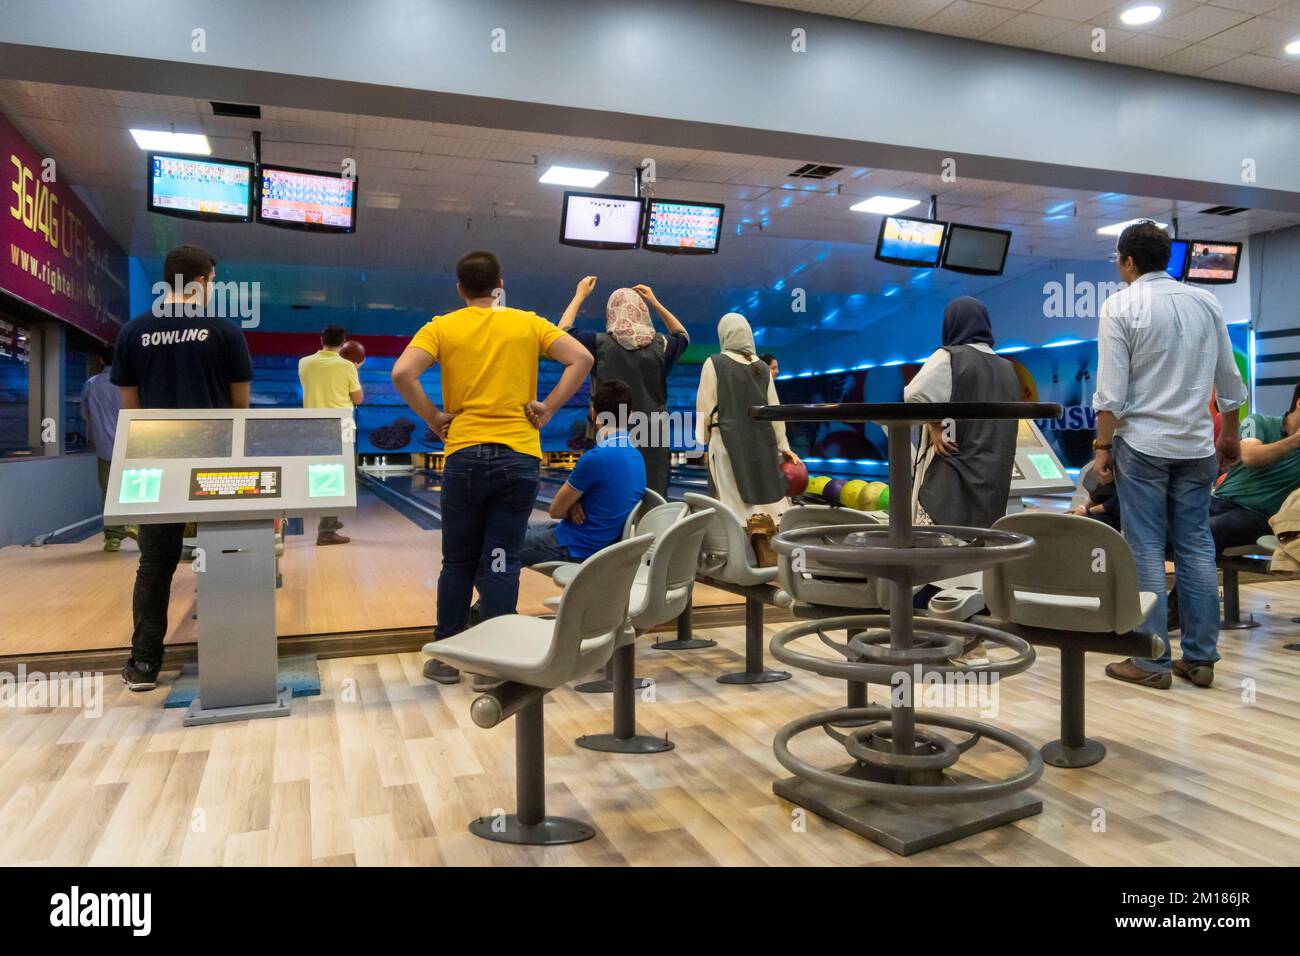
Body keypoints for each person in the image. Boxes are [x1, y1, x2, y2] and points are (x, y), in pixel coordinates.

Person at [391, 250, 592, 690]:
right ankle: (494, 664)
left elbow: (403, 373)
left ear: (460, 288)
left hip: (464, 455)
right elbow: (582, 359)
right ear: (500, 283)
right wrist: (548, 408)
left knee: (458, 561)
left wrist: (432, 417)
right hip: (517, 455)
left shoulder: (441, 326)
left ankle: (445, 656)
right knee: (503, 560)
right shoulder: (528, 322)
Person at [1093, 220, 1246, 689]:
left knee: (1144, 548)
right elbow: (1230, 382)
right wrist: (1230, 436)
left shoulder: (1119, 306)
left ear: (1129, 261)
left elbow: (1111, 393)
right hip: (1197, 445)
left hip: (1143, 446)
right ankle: (1200, 658)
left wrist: (1102, 446)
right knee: (1197, 546)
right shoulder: (1206, 301)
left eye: (1118, 260)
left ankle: (1151, 659)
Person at [111, 243, 253, 691]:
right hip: (215, 458)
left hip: (157, 460)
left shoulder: (134, 331)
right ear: (204, 281)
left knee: (155, 563)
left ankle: (145, 664)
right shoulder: (225, 331)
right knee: (228, 551)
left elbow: (129, 411)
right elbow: (239, 407)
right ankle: (230, 657)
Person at [1167, 384, 1300, 630]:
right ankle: (1133, 604)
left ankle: (1175, 610)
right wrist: (1295, 442)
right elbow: (1250, 457)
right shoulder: (1260, 421)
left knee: (1209, 530)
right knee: (1158, 521)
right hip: (1218, 500)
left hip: (1259, 517)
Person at [557, 278, 689, 496]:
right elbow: (683, 335)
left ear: (611, 312)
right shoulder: (662, 346)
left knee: (606, 501)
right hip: (651, 436)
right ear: (642, 311)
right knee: (651, 506)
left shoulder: (598, 343)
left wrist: (579, 295)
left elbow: (563, 332)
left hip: (606, 434)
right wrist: (655, 302)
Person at [904, 296, 1020, 528]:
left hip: (949, 488)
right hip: (992, 488)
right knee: (976, 557)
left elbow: (913, 396)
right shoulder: (1008, 370)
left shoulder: (951, 357)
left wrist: (934, 423)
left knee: (937, 560)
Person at [694, 312, 800, 563]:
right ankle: (769, 555)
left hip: (727, 443)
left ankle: (739, 561)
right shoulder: (762, 368)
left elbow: (704, 408)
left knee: (733, 504)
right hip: (761, 444)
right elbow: (774, 410)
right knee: (764, 503)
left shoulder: (714, 362)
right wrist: (783, 447)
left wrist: (702, 442)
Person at [519, 381, 646, 566]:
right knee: (515, 527)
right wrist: (573, 504)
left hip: (575, 547)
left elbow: (555, 510)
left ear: (594, 413)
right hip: (597, 543)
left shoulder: (596, 458)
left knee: (497, 545)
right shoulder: (637, 457)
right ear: (632, 416)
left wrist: (569, 505)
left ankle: (492, 594)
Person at [298, 324, 363, 545]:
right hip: (341, 425)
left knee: (322, 474)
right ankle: (326, 531)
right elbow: (358, 398)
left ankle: (330, 519)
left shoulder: (303, 362)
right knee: (336, 478)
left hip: (312, 426)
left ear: (321, 339)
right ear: (343, 342)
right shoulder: (347, 367)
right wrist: (354, 369)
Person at [81, 344, 135, 551]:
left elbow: (85, 415)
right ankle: (136, 525)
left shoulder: (91, 384)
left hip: (104, 447)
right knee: (137, 488)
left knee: (108, 491)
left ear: (101, 360)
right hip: (131, 446)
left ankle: (113, 537)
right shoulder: (128, 382)